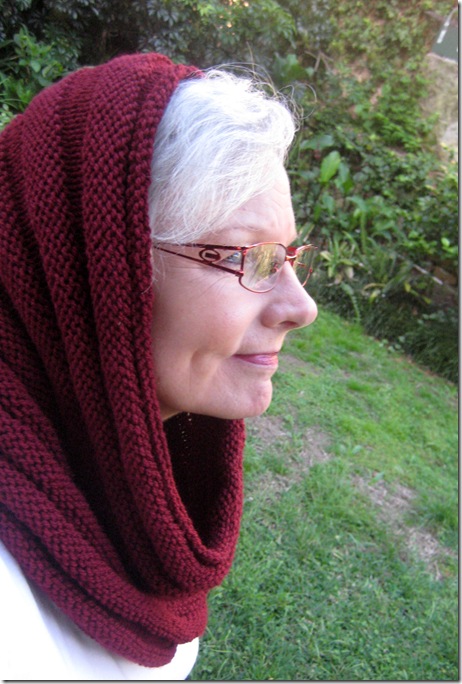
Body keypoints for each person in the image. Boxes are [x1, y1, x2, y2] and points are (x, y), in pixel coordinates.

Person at [0, 52, 317, 679]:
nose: (301, 308)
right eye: (249, 257)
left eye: (288, 256)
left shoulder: (129, 463)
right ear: (95, 268)